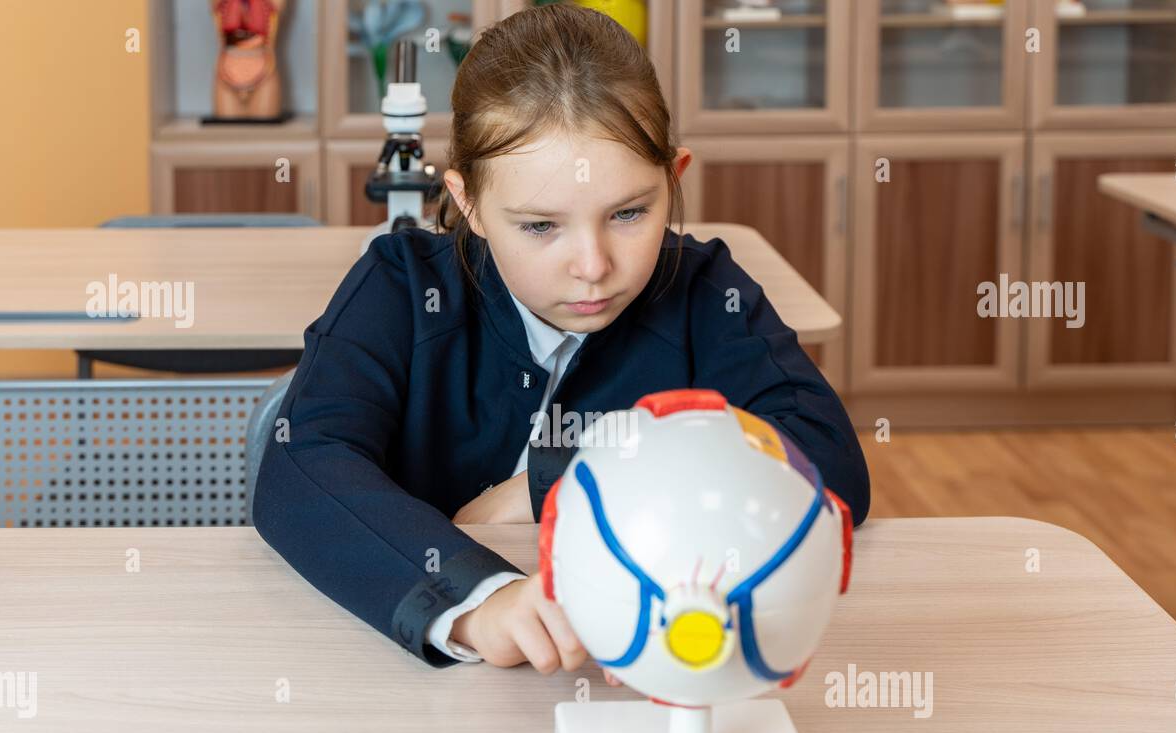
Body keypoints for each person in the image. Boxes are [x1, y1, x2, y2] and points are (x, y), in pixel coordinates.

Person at [252, 3, 870, 675]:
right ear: (469, 204)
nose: (593, 265)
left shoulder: (704, 291)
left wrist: (554, 482)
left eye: (630, 213)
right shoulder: (400, 289)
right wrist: (476, 602)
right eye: (541, 226)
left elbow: (827, 458)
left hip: (641, 678)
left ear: (674, 178)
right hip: (425, 689)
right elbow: (301, 465)